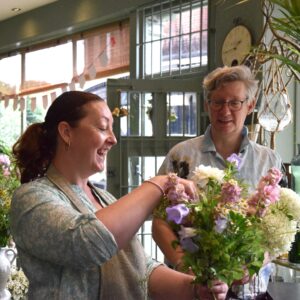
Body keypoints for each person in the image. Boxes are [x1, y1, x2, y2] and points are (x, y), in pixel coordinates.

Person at [10, 91, 228, 300]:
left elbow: (142, 270)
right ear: (67, 132)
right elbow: (89, 243)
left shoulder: (104, 198)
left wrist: (195, 289)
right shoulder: (31, 198)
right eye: (103, 128)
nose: (113, 139)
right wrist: (160, 184)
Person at [152, 65, 286, 300]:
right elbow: (160, 223)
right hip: (191, 289)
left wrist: (255, 262)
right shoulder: (181, 156)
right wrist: (188, 265)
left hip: (251, 292)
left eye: (235, 102)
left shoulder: (269, 160)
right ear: (207, 105)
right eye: (218, 102)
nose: (225, 110)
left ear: (250, 105)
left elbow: (281, 229)